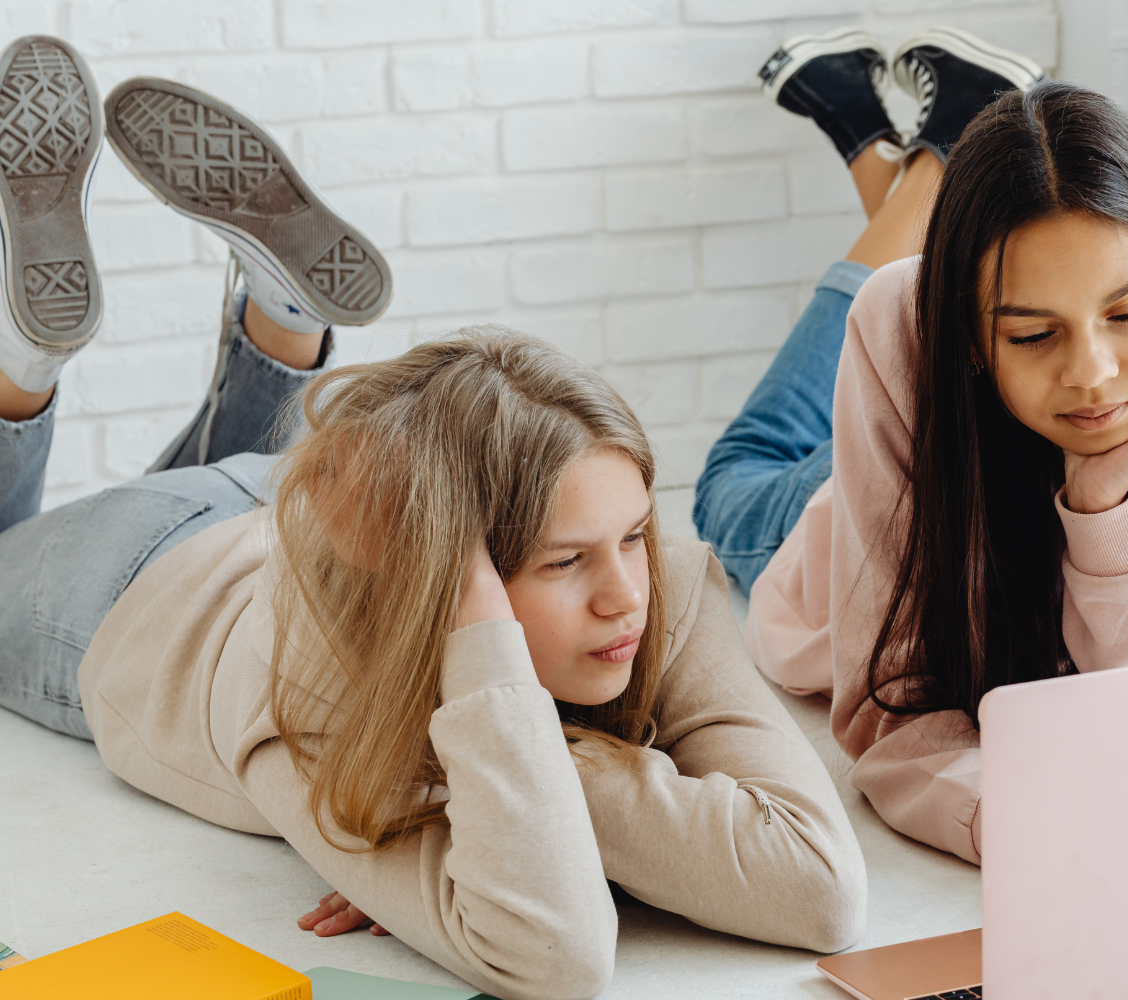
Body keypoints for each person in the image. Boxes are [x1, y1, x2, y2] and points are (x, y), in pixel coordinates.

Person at [0, 36, 864, 998]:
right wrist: (498, 793)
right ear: (457, 573)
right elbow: (557, 961)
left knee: (276, 470)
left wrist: (496, 793)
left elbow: (820, 893)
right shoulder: (322, 687)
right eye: (564, 562)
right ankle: (22, 365)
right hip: (135, 578)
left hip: (299, 492)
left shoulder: (655, 576)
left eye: (631, 534)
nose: (628, 595)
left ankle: (278, 317)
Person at [695, 28, 1128, 865]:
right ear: (978, 340)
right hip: (911, 462)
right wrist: (1039, 830)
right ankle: (934, 174)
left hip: (991, 395)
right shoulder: (906, 336)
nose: (1095, 375)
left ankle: (934, 170)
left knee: (934, 288)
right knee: (728, 486)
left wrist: (1105, 506)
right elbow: (894, 723)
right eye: (1035, 333)